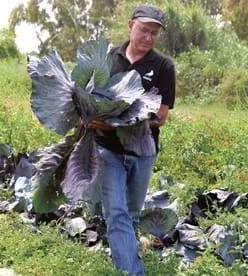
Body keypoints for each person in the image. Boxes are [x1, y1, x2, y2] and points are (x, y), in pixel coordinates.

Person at [88, 4, 175, 276]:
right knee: (116, 210)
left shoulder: (163, 66)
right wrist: (95, 118)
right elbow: (88, 99)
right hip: (108, 148)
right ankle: (131, 271)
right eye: (143, 30)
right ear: (130, 26)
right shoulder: (108, 58)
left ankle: (125, 244)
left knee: (132, 212)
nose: (148, 37)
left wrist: (122, 120)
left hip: (143, 150)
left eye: (154, 33)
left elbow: (160, 116)